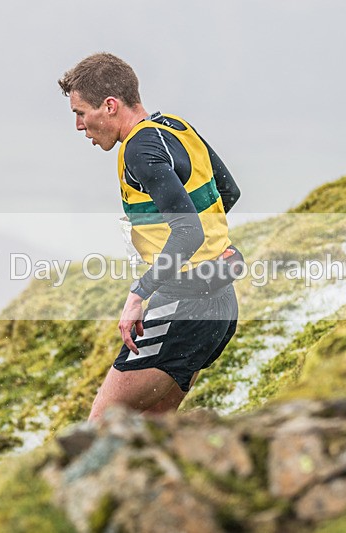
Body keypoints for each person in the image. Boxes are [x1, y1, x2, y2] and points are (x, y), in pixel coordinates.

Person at [58, 53, 242, 421]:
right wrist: (212, 256)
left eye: (81, 113)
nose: (79, 125)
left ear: (110, 106)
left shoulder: (139, 150)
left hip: (183, 306)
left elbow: (188, 232)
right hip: (220, 304)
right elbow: (228, 192)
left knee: (100, 425)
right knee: (152, 430)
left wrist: (137, 295)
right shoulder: (176, 127)